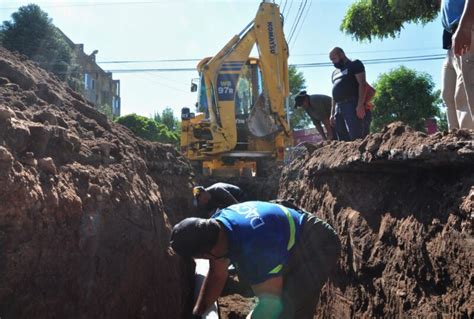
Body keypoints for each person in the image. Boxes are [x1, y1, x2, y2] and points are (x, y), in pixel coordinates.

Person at [170, 201, 341, 318]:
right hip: (284, 237)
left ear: (207, 253)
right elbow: (216, 274)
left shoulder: (254, 251)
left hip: (319, 244)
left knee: (290, 306)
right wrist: (198, 314)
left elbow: (270, 304)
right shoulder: (215, 227)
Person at [441, 0, 474, 129]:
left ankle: (469, 144)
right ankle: (455, 144)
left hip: (467, 30)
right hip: (452, 39)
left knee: (464, 97)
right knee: (448, 97)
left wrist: (465, 26)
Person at [329, 47, 371, 141]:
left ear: (341, 55)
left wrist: (360, 105)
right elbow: (334, 94)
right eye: (331, 60)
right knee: (343, 138)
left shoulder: (354, 64)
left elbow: (362, 84)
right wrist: (332, 113)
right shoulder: (334, 73)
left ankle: (361, 154)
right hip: (338, 108)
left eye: (334, 59)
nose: (333, 62)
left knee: (357, 136)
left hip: (352, 104)